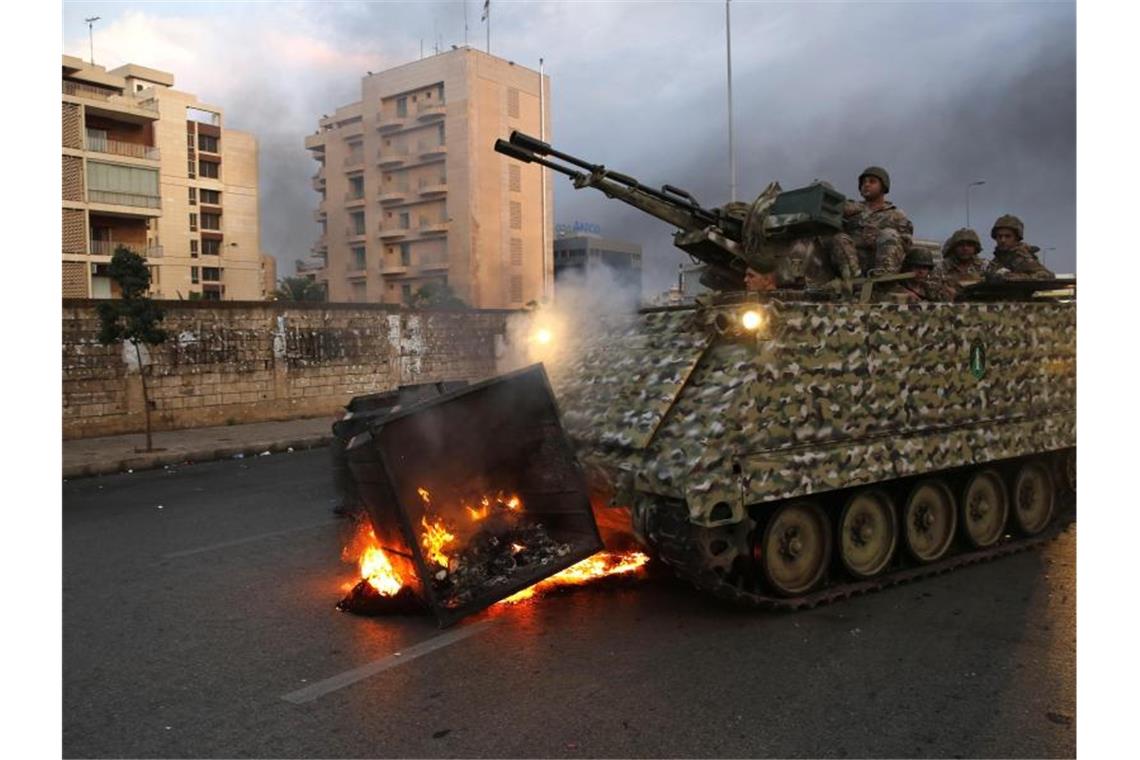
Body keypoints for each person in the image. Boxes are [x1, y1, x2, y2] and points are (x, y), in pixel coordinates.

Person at [829, 166, 914, 283]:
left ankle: (883, 282)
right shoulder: (852, 209)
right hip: (854, 266)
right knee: (839, 238)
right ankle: (855, 282)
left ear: (883, 186)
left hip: (881, 263)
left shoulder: (896, 215)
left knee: (889, 234)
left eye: (872, 181)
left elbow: (907, 245)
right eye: (863, 182)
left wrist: (878, 238)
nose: (866, 185)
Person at [987, 214, 1054, 279]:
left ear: (1016, 238)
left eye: (1008, 236)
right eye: (999, 236)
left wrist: (1015, 277)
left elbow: (1046, 275)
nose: (1003, 240)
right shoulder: (998, 259)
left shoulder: (1021, 258)